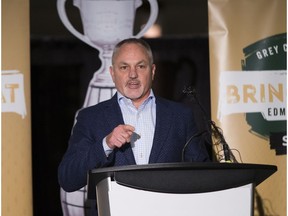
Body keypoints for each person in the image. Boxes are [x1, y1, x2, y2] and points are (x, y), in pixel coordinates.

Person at [58, 38, 210, 211]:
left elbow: (201, 177)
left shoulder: (180, 116)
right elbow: (68, 178)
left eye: (140, 66)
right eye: (124, 67)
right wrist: (105, 145)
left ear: (152, 71)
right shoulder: (90, 118)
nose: (132, 74)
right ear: (112, 73)